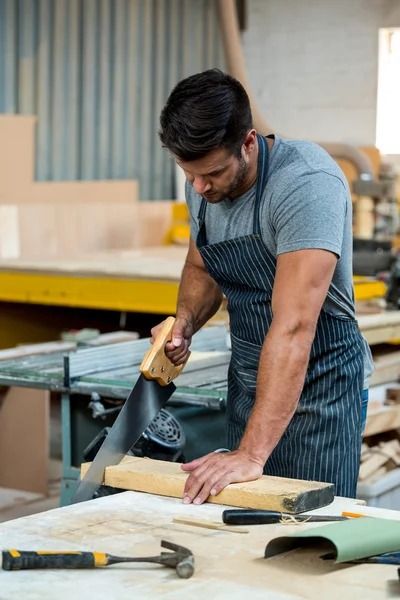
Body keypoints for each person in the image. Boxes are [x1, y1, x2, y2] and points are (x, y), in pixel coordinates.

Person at [151, 68, 373, 504]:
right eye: (188, 172)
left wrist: (251, 453)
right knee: (242, 533)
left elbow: (294, 328)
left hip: (320, 387)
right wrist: (184, 323)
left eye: (211, 173)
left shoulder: (305, 184)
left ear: (248, 142)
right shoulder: (202, 182)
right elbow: (201, 265)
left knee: (307, 539)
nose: (198, 186)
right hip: (250, 382)